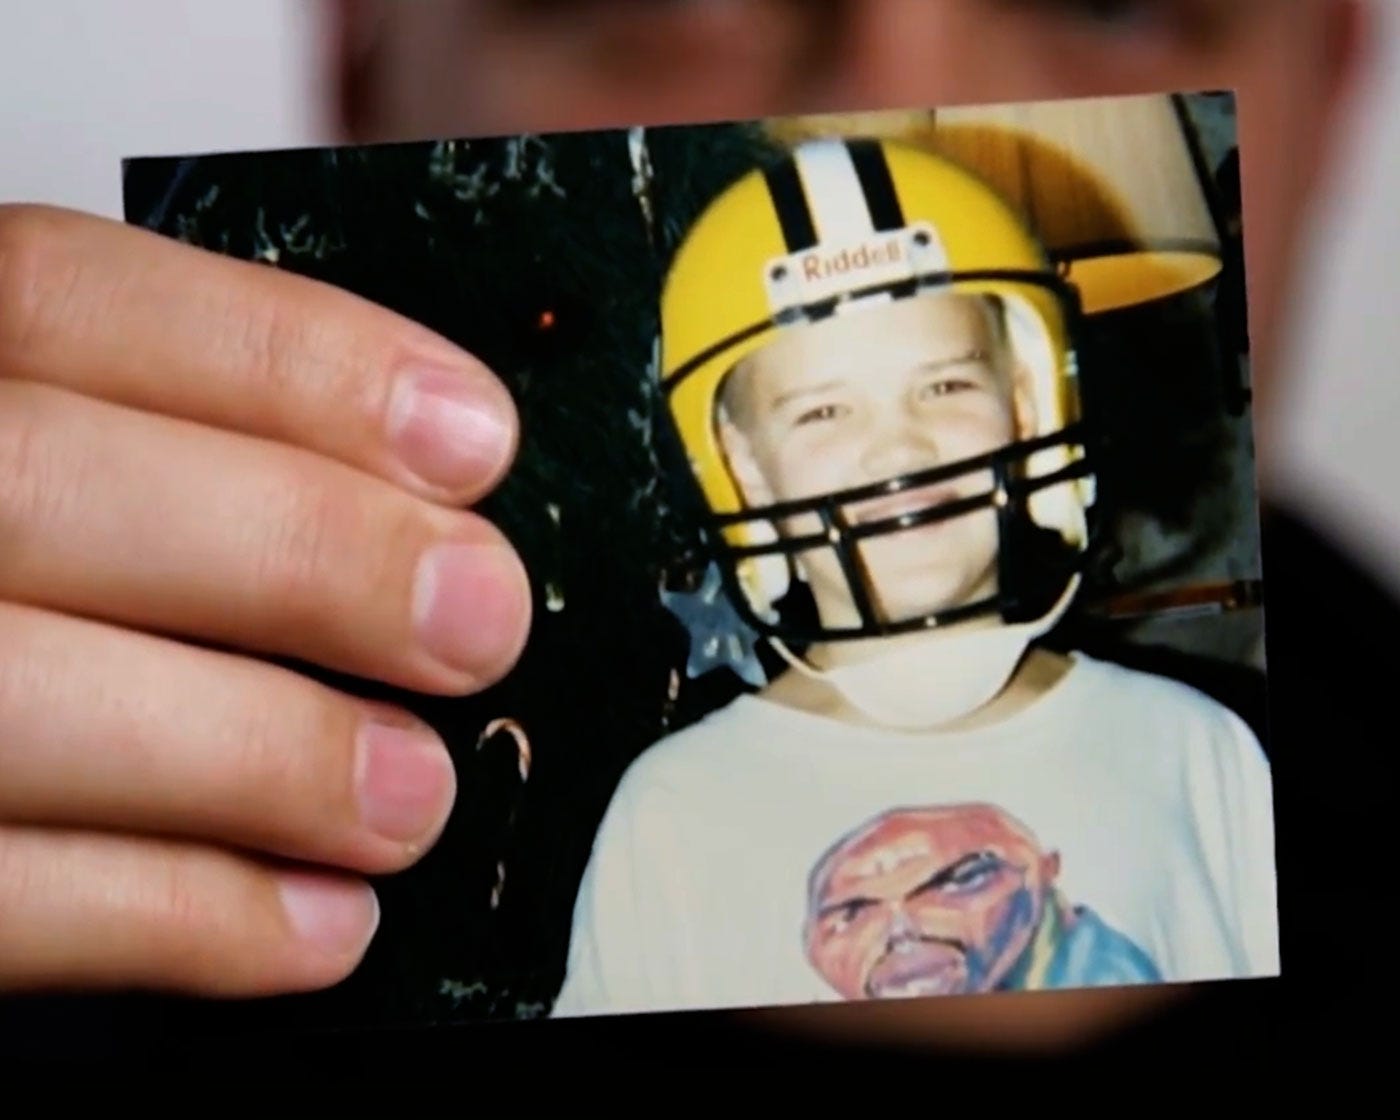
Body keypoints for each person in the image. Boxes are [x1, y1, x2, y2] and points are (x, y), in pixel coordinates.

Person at [0, 0, 1379, 1062]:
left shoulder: (1203, 759)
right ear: (367, 62)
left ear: (1340, 70)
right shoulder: (650, 826)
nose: (891, 115)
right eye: (673, 3)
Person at [549, 135, 1278, 1018]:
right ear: (741, 466)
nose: (898, 448)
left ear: (1028, 399)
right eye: (822, 410)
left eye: (943, 388)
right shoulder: (671, 814)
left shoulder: (1197, 751)